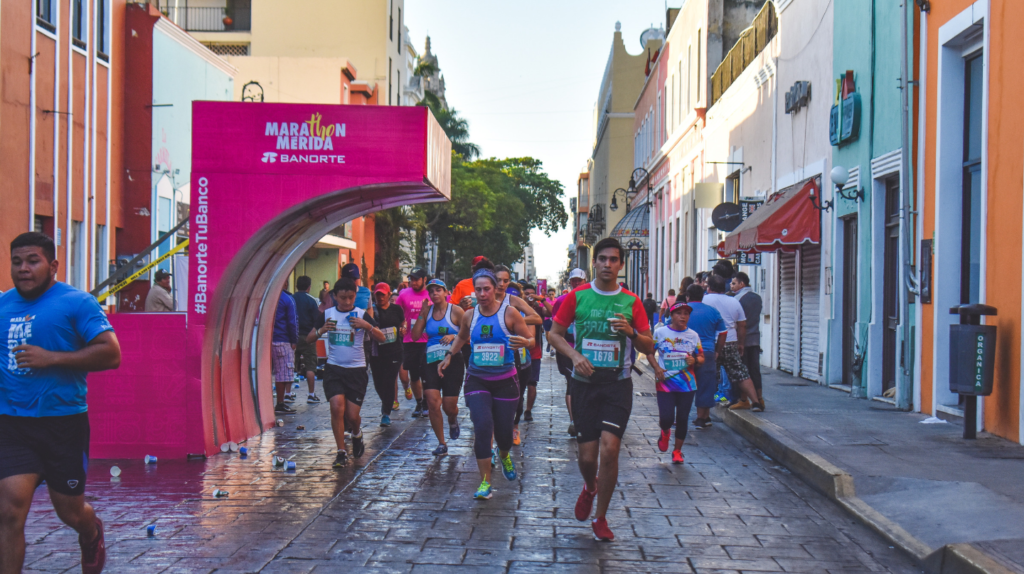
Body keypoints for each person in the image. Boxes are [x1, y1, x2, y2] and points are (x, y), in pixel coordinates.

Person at [1, 232, 122, 574]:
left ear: (52, 265)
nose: (24, 269)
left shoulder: (76, 302)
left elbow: (111, 353)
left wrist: (50, 358)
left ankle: (90, 530)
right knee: (9, 513)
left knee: (69, 512)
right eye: (17, 262)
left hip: (63, 424)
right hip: (12, 424)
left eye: (33, 261)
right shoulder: (2, 306)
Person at [548, 238, 653, 541]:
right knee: (586, 457)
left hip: (617, 385)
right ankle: (590, 487)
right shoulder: (577, 297)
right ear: (594, 263)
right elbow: (554, 334)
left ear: (621, 265)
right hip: (584, 386)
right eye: (602, 259)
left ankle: (601, 517)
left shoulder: (632, 302)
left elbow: (649, 344)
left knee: (611, 448)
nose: (608, 264)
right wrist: (575, 356)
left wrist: (631, 332)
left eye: (614, 260)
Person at [438, 269, 533, 500]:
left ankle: (504, 454)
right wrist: (450, 354)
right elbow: (461, 336)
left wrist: (525, 341)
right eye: (478, 289)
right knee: (482, 427)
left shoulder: (510, 313)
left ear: (494, 289)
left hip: (506, 381)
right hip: (477, 378)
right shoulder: (470, 315)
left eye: (486, 289)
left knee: (503, 434)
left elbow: (530, 339)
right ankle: (485, 482)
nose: (482, 294)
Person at [306, 278, 385, 468]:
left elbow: (382, 337)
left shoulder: (361, 314)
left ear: (355, 296)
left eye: (350, 297)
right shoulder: (327, 314)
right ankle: (341, 451)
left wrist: (367, 326)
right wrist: (321, 330)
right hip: (334, 368)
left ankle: (357, 434)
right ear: (334, 297)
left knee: (351, 416)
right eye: (343, 298)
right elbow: (308, 338)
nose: (347, 302)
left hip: (356, 371)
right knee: (336, 407)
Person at [411, 279, 465, 456]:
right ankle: (442, 443)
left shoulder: (456, 311)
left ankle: (453, 418)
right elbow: (415, 335)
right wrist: (422, 314)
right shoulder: (427, 312)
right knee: (433, 402)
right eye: (431, 291)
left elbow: (468, 334)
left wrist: (453, 335)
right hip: (431, 360)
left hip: (453, 360)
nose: (434, 294)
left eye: (438, 290)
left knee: (449, 406)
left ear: (446, 292)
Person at [646, 301, 703, 464]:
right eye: (679, 313)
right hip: (665, 383)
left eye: (686, 314)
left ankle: (677, 451)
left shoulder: (693, 335)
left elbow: (702, 357)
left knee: (683, 418)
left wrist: (695, 359)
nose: (682, 317)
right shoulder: (660, 332)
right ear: (671, 315)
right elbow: (650, 352)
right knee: (666, 417)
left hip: (687, 384)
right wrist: (656, 367)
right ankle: (665, 432)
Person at [493, 266, 543, 446]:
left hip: (518, 355)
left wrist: (514, 321)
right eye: (498, 280)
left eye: (505, 280)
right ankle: (492, 437)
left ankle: (514, 426)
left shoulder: (513, 300)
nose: (501, 284)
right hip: (492, 355)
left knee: (517, 394)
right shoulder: (483, 299)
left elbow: (537, 318)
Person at [703, 275, 763, 411]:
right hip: (730, 341)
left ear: (709, 287)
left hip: (712, 342)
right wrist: (741, 344)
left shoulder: (704, 300)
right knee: (740, 373)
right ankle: (755, 402)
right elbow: (742, 325)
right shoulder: (734, 301)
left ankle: (705, 413)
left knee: (710, 375)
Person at [683, 284, 727, 429]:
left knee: (683, 384)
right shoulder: (713, 311)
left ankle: (681, 416)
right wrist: (717, 351)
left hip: (684, 352)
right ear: (702, 296)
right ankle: (703, 417)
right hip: (707, 351)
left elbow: (670, 328)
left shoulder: (682, 311)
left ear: (687, 296)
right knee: (706, 385)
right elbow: (722, 333)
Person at [551, 267, 587, 437]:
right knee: (571, 383)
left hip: (588, 349)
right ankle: (574, 420)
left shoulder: (590, 299)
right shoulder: (561, 300)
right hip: (567, 347)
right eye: (574, 280)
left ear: (585, 281)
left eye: (579, 280)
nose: (576, 283)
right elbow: (555, 326)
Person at [368, 282, 404, 427]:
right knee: (378, 383)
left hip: (394, 351)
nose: (380, 298)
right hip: (377, 352)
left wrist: (403, 328)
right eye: (377, 295)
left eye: (383, 295)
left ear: (389, 295)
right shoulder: (372, 311)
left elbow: (403, 323)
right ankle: (386, 401)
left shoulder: (396, 309)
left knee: (389, 381)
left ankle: (386, 412)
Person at [395, 268, 431, 417]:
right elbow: (397, 315)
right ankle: (419, 403)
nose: (413, 282)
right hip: (410, 340)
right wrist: (401, 327)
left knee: (427, 374)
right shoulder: (403, 295)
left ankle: (428, 403)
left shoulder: (432, 294)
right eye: (411, 279)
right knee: (414, 375)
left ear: (424, 280)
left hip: (429, 340)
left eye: (417, 279)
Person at [731, 272, 764, 409]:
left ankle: (744, 399)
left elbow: (738, 323)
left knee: (742, 371)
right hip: (755, 339)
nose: (731, 286)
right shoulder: (757, 298)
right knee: (754, 369)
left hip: (742, 340)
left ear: (741, 284)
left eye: (734, 283)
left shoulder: (737, 299)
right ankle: (759, 398)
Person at [520, 282, 549, 421]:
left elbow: (551, 312)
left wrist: (541, 299)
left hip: (534, 351)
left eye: (532, 294)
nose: (529, 297)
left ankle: (528, 410)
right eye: (526, 294)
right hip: (517, 351)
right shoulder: (514, 309)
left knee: (532, 383)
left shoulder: (538, 309)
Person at [292, 276, 322, 404]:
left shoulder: (291, 299)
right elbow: (317, 319)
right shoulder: (312, 300)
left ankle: (288, 393)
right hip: (308, 336)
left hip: (293, 337)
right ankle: (311, 394)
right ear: (309, 287)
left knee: (291, 366)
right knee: (310, 365)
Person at [272, 288, 298, 414]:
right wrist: (294, 340)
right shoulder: (287, 299)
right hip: (283, 339)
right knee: (283, 373)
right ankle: (280, 403)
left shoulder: (266, 296)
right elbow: (292, 322)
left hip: (266, 341)